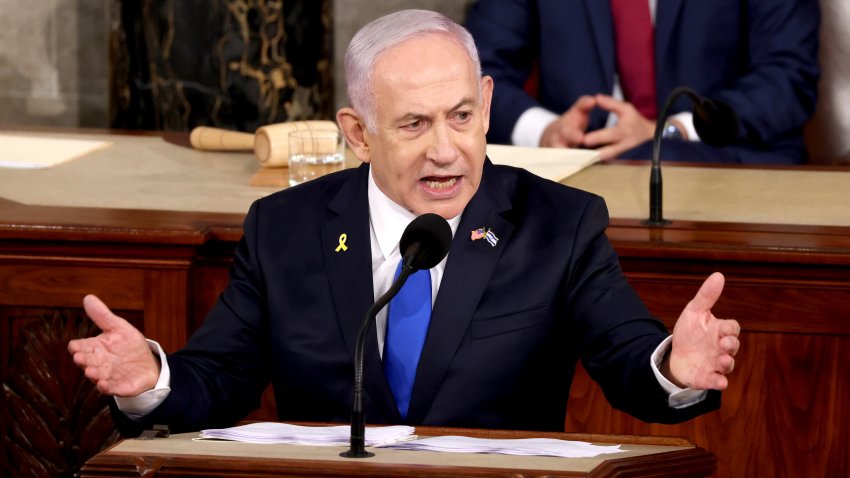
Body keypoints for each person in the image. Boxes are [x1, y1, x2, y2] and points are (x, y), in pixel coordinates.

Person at [68, 9, 740, 435]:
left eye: (460, 116)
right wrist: (150, 380)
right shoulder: (286, 228)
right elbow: (216, 380)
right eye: (414, 124)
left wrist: (674, 369)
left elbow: (630, 361)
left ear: (485, 103)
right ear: (358, 134)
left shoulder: (556, 223)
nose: (445, 149)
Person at [465, 0, 820, 164]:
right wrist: (545, 132)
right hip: (576, 171)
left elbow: (787, 77)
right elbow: (477, 68)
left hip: (719, 162)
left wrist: (665, 131)